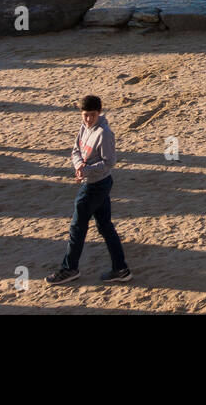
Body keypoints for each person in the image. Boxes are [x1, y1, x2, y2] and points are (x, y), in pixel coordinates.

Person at [46, 95, 131, 285]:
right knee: (105, 227)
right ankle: (121, 269)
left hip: (96, 185)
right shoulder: (84, 127)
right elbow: (76, 150)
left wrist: (86, 170)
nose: (88, 119)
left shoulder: (104, 133)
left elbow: (110, 162)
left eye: (91, 115)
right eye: (85, 115)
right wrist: (79, 166)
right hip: (93, 182)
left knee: (77, 227)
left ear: (99, 112)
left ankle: (70, 268)